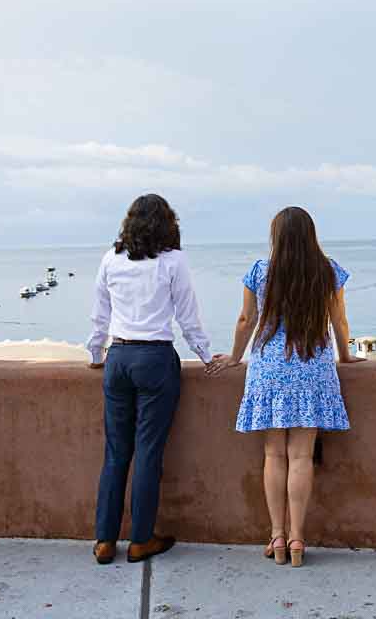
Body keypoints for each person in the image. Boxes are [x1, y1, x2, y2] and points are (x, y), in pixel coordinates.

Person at [206, 206, 364, 567]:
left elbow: (247, 319)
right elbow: (338, 319)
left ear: (276, 236)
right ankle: (297, 539)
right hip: (313, 367)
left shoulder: (261, 272)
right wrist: (346, 356)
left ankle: (276, 534)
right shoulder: (327, 271)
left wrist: (234, 356)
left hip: (270, 370)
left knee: (274, 455)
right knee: (301, 457)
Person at [86, 194, 213, 566]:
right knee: (147, 451)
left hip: (119, 357)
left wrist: (96, 354)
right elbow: (188, 315)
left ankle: (105, 540)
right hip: (155, 359)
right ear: (168, 224)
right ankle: (141, 539)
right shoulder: (173, 261)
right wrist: (206, 355)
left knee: (115, 452)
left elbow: (99, 314)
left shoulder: (111, 258)